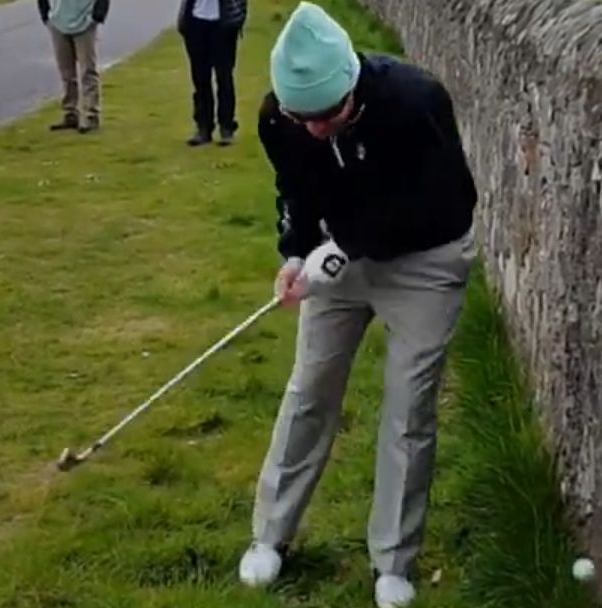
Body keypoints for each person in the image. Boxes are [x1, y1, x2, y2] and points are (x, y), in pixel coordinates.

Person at [237, 3, 479, 607]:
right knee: (310, 389)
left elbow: (442, 203)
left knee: (409, 407)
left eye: (329, 115)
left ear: (351, 82)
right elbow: (294, 190)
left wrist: (346, 248)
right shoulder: (279, 120)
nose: (316, 129)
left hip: (426, 262)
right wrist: (296, 254)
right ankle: (271, 536)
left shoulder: (416, 102)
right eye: (303, 117)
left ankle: (393, 561)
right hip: (335, 259)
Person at [177, 0, 247, 146]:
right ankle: (203, 128)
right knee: (200, 78)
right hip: (196, 22)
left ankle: (227, 127)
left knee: (224, 77)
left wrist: (238, 18)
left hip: (223, 24)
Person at [38, 0, 110, 133]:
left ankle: (91, 116)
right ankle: (70, 113)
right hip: (58, 22)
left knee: (88, 71)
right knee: (66, 73)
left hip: (84, 22)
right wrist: (45, 15)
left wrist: (96, 16)